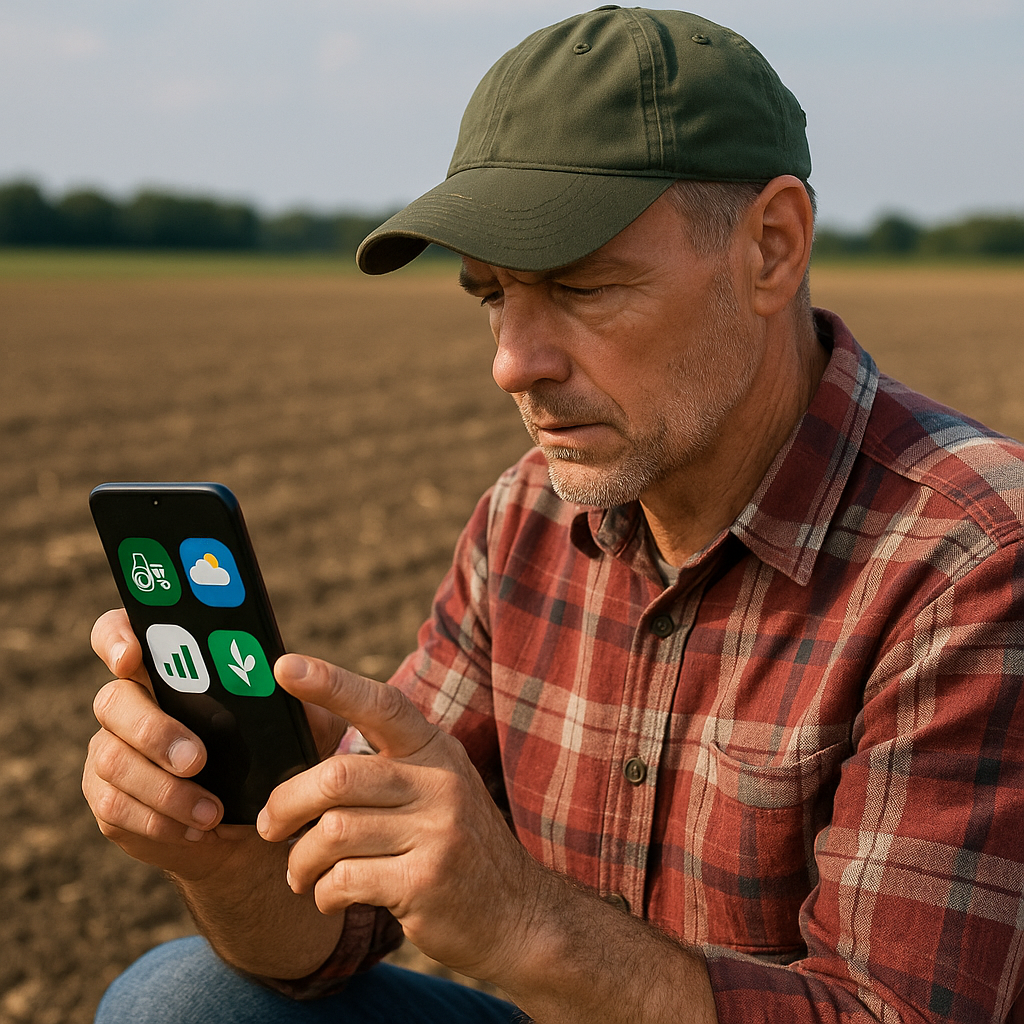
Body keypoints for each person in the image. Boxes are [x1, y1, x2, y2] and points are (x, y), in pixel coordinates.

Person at [84, 7, 1024, 1023]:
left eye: (579, 286)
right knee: (180, 997)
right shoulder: (523, 517)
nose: (509, 363)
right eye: (491, 295)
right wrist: (225, 854)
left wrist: (522, 921)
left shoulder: (971, 560)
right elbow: (325, 934)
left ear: (770, 245)